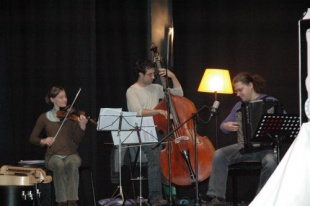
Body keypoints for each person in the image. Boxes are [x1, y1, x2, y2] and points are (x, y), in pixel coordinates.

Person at [202, 72, 285, 206]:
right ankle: (216, 197)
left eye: (240, 90)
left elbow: (284, 123)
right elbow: (223, 126)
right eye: (236, 91)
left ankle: (261, 199)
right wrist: (227, 126)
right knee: (219, 154)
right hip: (244, 147)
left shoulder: (272, 102)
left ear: (250, 85)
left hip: (266, 149)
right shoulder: (239, 106)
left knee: (271, 161)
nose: (238, 94)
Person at [126, 59, 184, 206]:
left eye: (154, 74)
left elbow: (179, 93)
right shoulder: (132, 91)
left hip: (159, 128)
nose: (153, 77)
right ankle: (155, 197)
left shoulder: (156, 87)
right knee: (156, 159)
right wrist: (158, 111)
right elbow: (137, 112)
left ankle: (172, 194)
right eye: (150, 74)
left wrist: (172, 76)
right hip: (142, 130)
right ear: (140, 74)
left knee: (171, 155)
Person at [29, 86, 88, 206]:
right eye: (60, 97)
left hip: (71, 154)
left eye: (65, 96)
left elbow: (77, 140)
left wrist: (82, 126)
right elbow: (32, 138)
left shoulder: (71, 116)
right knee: (58, 164)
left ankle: (72, 202)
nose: (65, 99)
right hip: (52, 155)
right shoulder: (44, 117)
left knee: (73, 162)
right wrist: (43, 140)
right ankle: (61, 202)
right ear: (52, 99)